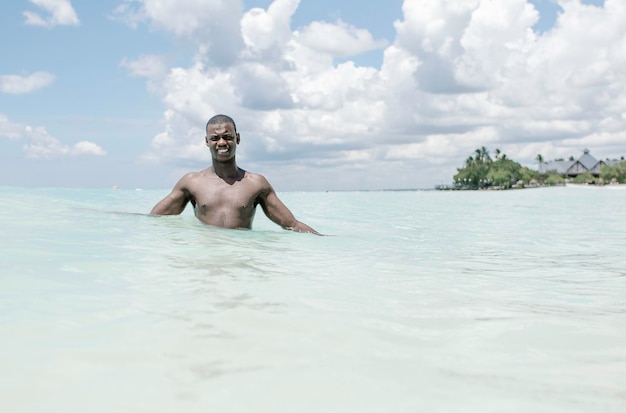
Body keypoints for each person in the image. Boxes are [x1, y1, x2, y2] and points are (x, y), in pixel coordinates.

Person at [150, 114, 319, 234]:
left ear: (237, 138)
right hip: (205, 255)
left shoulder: (256, 183)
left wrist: (326, 242)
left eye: (228, 137)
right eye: (215, 138)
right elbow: (154, 219)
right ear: (207, 142)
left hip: (242, 255)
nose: (222, 142)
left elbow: (291, 224)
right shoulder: (192, 182)